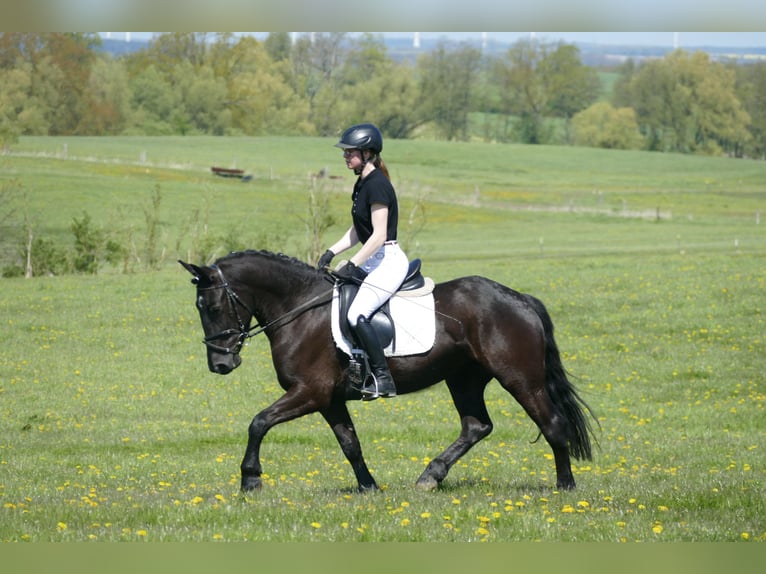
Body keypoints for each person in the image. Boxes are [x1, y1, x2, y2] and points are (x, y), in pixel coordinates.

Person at [317, 123, 408, 400]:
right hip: (373, 258)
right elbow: (359, 229)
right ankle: (355, 364)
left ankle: (383, 378)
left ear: (367, 153)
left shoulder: (378, 185)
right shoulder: (362, 183)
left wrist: (353, 263)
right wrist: (332, 252)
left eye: (350, 152)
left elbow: (379, 235)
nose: (345, 156)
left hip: (388, 261)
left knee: (357, 314)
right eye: (345, 152)